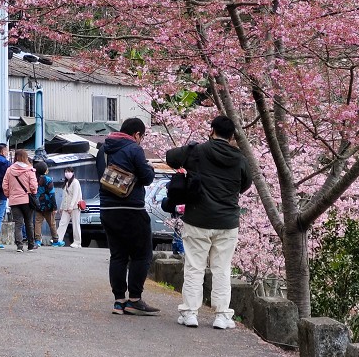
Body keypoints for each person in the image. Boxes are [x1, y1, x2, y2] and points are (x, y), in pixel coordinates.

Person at [167, 114, 252, 330]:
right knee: (222, 269)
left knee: (194, 267)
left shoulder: (197, 151)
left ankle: (190, 313)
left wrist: (190, 150)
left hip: (198, 218)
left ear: (212, 130)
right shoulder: (240, 158)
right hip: (227, 221)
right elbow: (245, 184)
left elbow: (171, 158)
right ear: (232, 135)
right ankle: (222, 316)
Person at [97, 117, 160, 316]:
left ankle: (119, 301)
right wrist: (148, 167)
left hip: (108, 209)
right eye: (142, 136)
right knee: (142, 254)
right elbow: (147, 178)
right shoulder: (134, 149)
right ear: (137, 134)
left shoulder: (104, 149)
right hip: (131, 209)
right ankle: (134, 299)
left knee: (118, 255)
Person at [2, 149, 38, 253]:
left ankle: (19, 246)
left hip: (14, 201)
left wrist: (10, 195)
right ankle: (31, 245)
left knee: (18, 223)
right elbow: (33, 186)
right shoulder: (30, 170)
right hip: (27, 200)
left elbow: (5, 185)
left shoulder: (9, 170)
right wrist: (33, 192)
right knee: (29, 223)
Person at [32, 159, 60, 247]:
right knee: (52, 223)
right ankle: (55, 240)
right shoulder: (48, 179)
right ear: (45, 170)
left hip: (38, 205)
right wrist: (54, 207)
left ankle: (37, 240)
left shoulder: (35, 179)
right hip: (48, 205)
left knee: (38, 222)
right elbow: (52, 194)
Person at [55, 166, 83, 248]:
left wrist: (71, 206)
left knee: (75, 224)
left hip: (75, 207)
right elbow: (64, 196)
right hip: (66, 207)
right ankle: (58, 239)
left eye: (69, 171)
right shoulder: (66, 183)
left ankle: (77, 242)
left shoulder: (75, 182)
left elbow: (75, 195)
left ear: (73, 173)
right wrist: (61, 207)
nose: (67, 173)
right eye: (66, 171)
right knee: (62, 223)